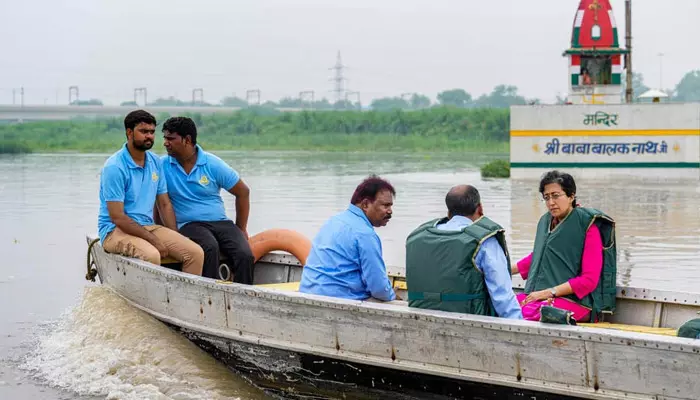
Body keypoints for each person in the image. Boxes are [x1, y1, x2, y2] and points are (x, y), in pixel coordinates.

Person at [97, 110, 204, 276]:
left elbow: (164, 203)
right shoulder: (115, 167)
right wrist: (153, 240)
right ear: (129, 132)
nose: (149, 136)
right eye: (144, 131)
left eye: (152, 132)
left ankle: (184, 299)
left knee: (195, 253)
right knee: (152, 255)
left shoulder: (155, 162)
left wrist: (175, 236)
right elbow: (117, 217)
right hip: (115, 231)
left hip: (147, 226)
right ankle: (153, 300)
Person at [159, 116, 254, 283]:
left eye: (170, 138)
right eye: (165, 138)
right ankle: (209, 298)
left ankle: (244, 298)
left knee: (244, 254)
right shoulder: (162, 165)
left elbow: (243, 192)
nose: (165, 143)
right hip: (189, 224)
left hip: (220, 222)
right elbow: (157, 201)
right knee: (209, 247)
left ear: (187, 140)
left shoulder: (212, 164)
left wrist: (241, 229)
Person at [514, 170, 616, 323]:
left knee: (527, 312)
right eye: (546, 197)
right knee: (503, 305)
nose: (551, 202)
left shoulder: (587, 225)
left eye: (556, 195)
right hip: (540, 297)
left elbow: (589, 280)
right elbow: (538, 257)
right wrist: (500, 269)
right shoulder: (546, 221)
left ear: (571, 196)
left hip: (576, 303)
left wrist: (549, 292)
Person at [405, 185, 522, 319]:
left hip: (421, 323)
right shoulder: (485, 241)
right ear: (480, 208)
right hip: (472, 327)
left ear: (449, 212)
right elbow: (503, 298)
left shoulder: (416, 238)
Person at [299, 175, 396, 302]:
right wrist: (392, 296)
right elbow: (379, 289)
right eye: (385, 205)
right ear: (366, 204)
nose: (390, 211)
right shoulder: (365, 234)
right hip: (339, 302)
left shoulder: (333, 221)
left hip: (306, 295)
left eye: (391, 206)